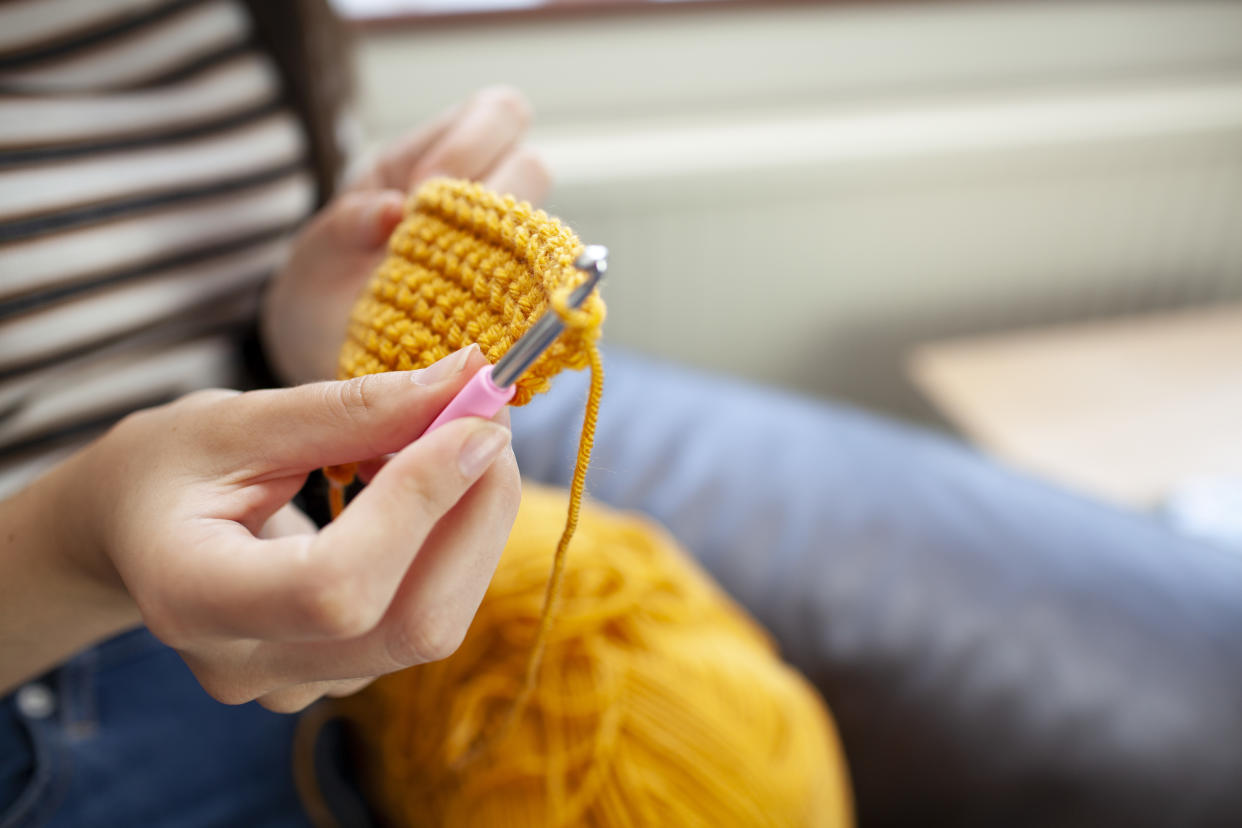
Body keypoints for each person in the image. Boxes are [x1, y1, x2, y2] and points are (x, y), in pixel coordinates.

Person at [5, 2, 1242, 827]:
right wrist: (71, 543)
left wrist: (318, 331)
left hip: (316, 476)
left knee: (1209, 668)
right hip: (57, 617)